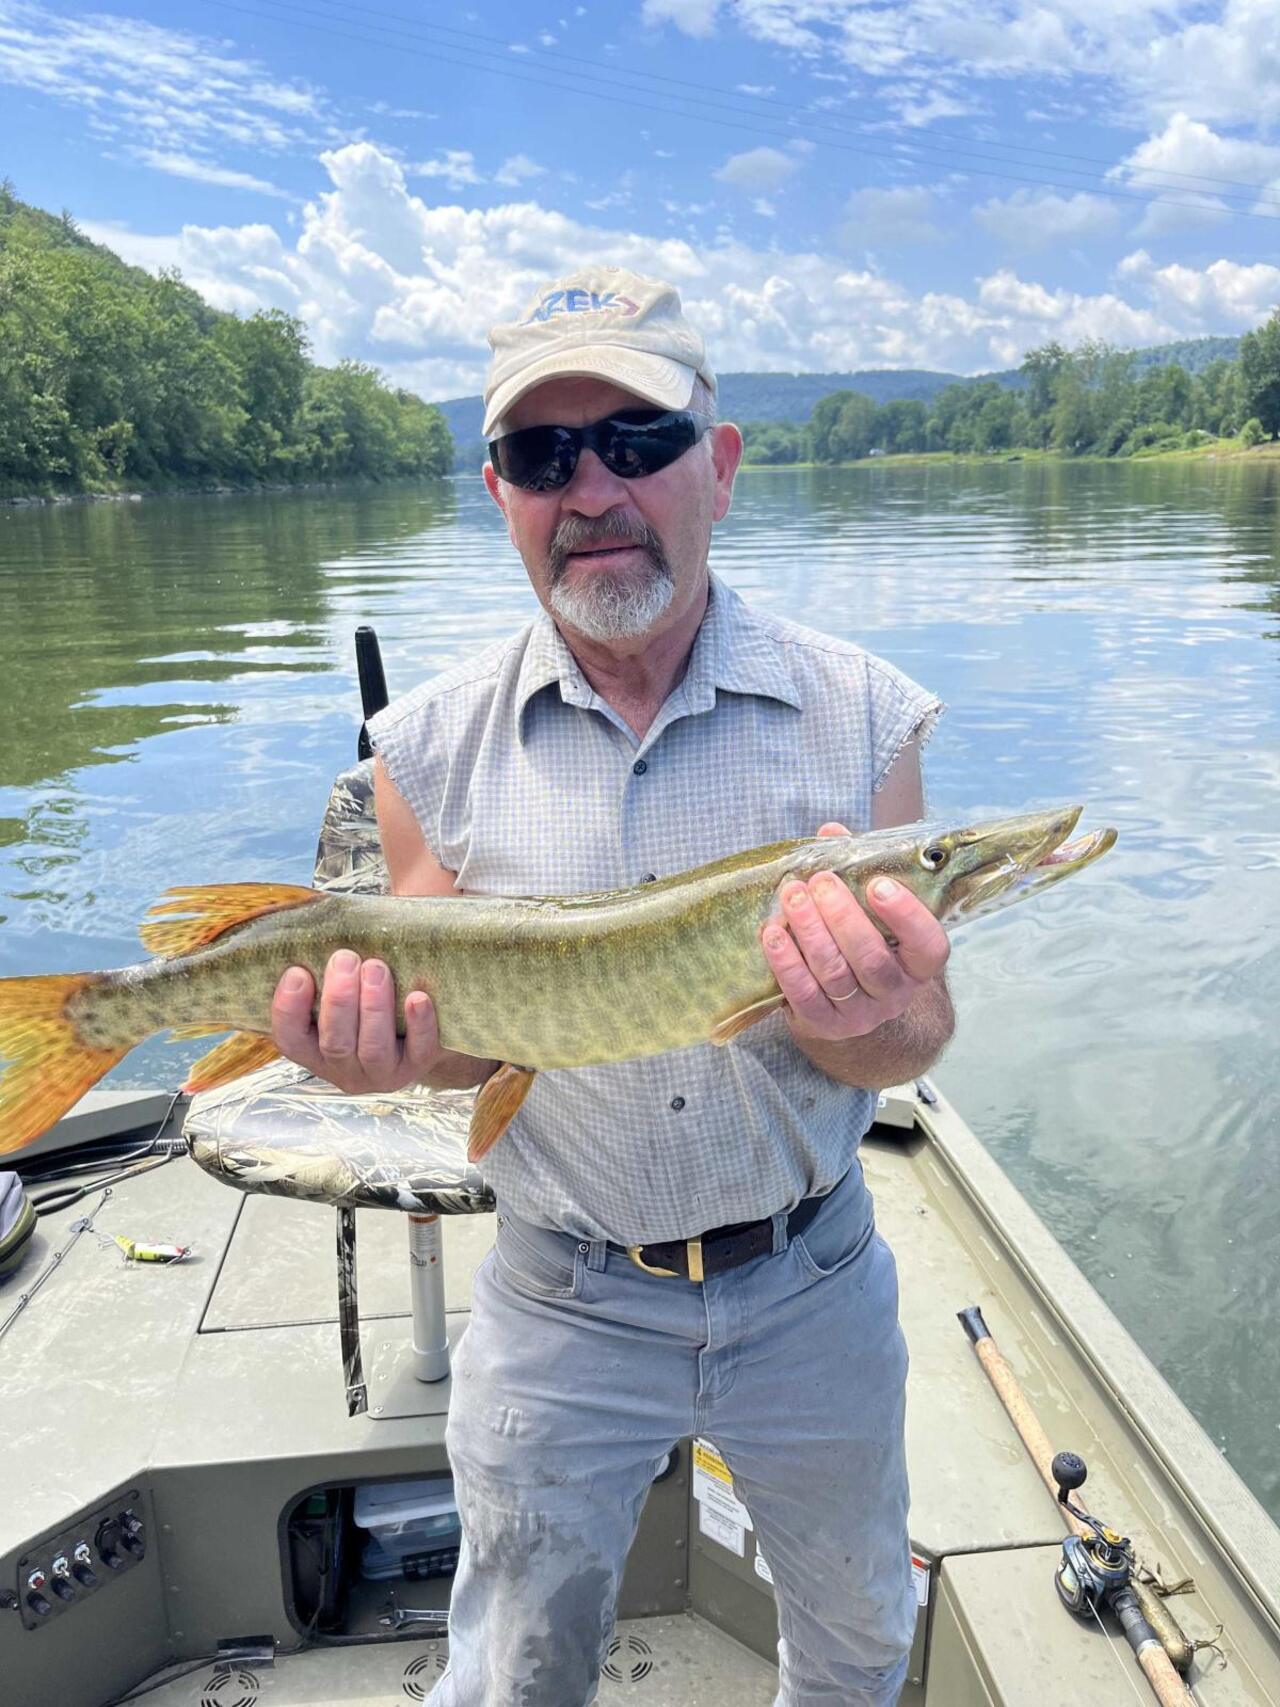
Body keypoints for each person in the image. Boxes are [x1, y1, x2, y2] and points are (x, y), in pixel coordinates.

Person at [271, 267, 954, 1707]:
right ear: (501, 491)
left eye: (635, 442)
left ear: (718, 462)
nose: (592, 488)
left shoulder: (862, 714)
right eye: (543, 455)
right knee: (515, 1673)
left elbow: (914, 1039)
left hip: (809, 1285)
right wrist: (393, 1057)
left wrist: (869, 1018)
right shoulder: (425, 751)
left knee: (857, 1650)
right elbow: (470, 1049)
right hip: (561, 1297)